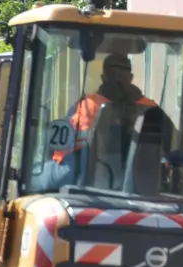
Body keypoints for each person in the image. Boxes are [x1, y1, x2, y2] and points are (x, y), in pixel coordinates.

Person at [37, 52, 161, 190]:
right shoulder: (151, 108)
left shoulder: (86, 105)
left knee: (34, 176)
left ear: (103, 78)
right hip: (141, 177)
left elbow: (65, 142)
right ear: (131, 78)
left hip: (85, 173)